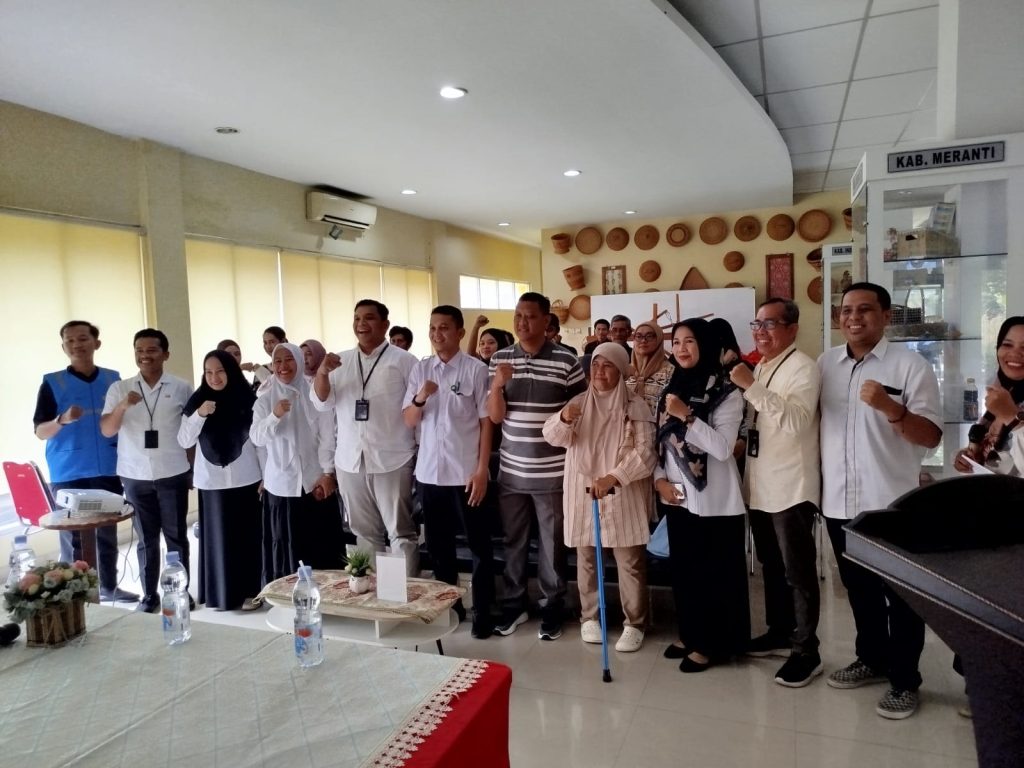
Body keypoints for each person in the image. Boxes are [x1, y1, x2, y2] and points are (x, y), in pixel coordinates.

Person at [819, 282, 941, 720]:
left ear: (886, 316)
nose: (854, 318)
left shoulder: (910, 366)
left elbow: (931, 436)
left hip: (890, 504)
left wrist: (891, 408)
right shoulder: (825, 364)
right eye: (846, 310)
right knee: (859, 590)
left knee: (903, 598)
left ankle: (905, 680)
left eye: (865, 310)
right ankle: (870, 658)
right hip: (838, 501)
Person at [728, 299, 823, 688]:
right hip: (760, 482)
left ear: (792, 328)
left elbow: (797, 421)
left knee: (798, 571)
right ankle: (780, 631)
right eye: (757, 324)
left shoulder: (804, 367)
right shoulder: (764, 366)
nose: (760, 332)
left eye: (769, 324)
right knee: (770, 563)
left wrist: (750, 387)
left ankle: (807, 650)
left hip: (791, 485)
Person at [543, 342, 656, 652]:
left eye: (607, 366)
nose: (599, 371)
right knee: (587, 559)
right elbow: (552, 436)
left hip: (622, 492)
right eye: (595, 365)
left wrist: (613, 477)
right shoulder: (578, 403)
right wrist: (563, 418)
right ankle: (590, 617)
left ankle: (634, 623)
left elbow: (646, 453)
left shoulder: (636, 407)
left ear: (620, 371)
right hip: (584, 492)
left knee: (629, 563)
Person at [488, 292, 586, 640]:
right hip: (512, 471)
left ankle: (552, 606)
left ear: (547, 321)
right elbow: (495, 417)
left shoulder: (566, 361)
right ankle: (514, 604)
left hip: (553, 472)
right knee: (514, 540)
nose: (522, 322)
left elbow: (581, 410)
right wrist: (498, 385)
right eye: (518, 315)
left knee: (552, 543)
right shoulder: (500, 358)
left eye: (530, 316)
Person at [654, 318, 749, 672]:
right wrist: (659, 480)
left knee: (714, 576)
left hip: (714, 502)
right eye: (677, 341)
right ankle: (691, 633)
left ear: (706, 345)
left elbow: (723, 448)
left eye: (690, 341)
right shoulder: (672, 387)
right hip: (677, 496)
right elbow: (659, 442)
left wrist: (688, 417)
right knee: (685, 571)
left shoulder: (726, 391)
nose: (681, 348)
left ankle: (712, 644)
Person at [403, 305, 494, 638]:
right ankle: (449, 608)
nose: (436, 334)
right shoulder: (421, 370)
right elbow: (409, 420)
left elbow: (486, 423)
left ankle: (483, 611)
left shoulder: (475, 369)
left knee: (479, 547)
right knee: (439, 548)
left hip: (465, 474)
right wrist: (420, 397)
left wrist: (482, 469)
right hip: (430, 474)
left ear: (459, 332)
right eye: (432, 328)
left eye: (443, 327)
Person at [32, 320, 138, 603]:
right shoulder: (53, 383)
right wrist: (62, 420)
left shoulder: (113, 379)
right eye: (70, 341)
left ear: (96, 343)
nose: (76, 345)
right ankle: (76, 594)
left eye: (82, 338)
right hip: (69, 471)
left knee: (107, 530)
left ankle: (109, 586)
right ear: (63, 347)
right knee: (75, 537)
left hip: (108, 466)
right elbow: (40, 431)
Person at [312, 300, 420, 575]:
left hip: (392, 459)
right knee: (364, 533)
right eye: (357, 318)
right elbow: (322, 402)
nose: (361, 324)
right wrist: (322, 372)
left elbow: (417, 411)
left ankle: (407, 594)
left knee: (400, 533)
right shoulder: (340, 361)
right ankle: (372, 591)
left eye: (369, 318)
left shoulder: (404, 361)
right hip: (350, 460)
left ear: (385, 324)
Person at [100, 329, 193, 613]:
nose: (144, 355)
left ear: (165, 354)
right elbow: (107, 430)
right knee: (146, 538)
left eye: (151, 350)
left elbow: (191, 432)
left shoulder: (182, 387)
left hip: (173, 471)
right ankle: (150, 595)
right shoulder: (120, 389)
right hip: (135, 474)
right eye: (139, 350)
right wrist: (123, 405)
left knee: (176, 536)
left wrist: (192, 470)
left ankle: (180, 591)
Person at [177, 350, 263, 610]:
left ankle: (250, 592)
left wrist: (266, 476)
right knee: (218, 540)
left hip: (246, 478)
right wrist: (200, 415)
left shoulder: (248, 399)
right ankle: (221, 596)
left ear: (231, 371)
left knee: (246, 539)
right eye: (208, 372)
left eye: (220, 371)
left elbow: (260, 443)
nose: (214, 377)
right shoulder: (197, 401)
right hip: (212, 482)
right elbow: (184, 440)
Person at [251, 343, 342, 581]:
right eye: (277, 361)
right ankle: (288, 594)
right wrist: (275, 416)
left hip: (314, 483)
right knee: (286, 547)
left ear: (300, 362)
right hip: (281, 486)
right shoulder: (264, 400)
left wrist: (328, 473)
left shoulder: (314, 394)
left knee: (319, 545)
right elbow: (257, 438)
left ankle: (324, 593)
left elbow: (327, 435)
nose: (283, 366)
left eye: (289, 359)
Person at [955, 316, 1024, 475]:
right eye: (1007, 344)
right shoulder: (1003, 391)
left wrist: (1011, 417)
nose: (1015, 353)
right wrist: (967, 459)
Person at [625, 319, 674, 415]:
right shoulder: (625, 371)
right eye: (638, 336)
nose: (643, 340)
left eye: (649, 336)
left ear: (659, 339)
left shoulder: (670, 372)